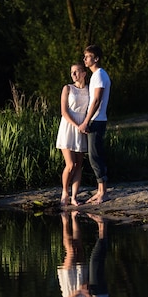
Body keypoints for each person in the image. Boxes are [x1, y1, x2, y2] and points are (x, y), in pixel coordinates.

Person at [78, 45, 111, 205]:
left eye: (88, 56)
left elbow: (96, 100)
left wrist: (86, 121)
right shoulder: (97, 75)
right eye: (84, 56)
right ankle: (100, 191)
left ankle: (103, 193)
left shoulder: (99, 75)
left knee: (94, 155)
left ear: (96, 58)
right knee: (94, 155)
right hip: (97, 119)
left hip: (96, 120)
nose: (85, 59)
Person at [56, 63, 89, 207]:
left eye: (76, 72)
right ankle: (65, 192)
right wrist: (77, 126)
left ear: (84, 73)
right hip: (69, 126)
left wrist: (85, 124)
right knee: (70, 164)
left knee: (78, 165)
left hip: (83, 125)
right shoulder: (68, 88)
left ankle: (74, 197)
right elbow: (64, 111)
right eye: (72, 72)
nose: (73, 74)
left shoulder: (89, 90)